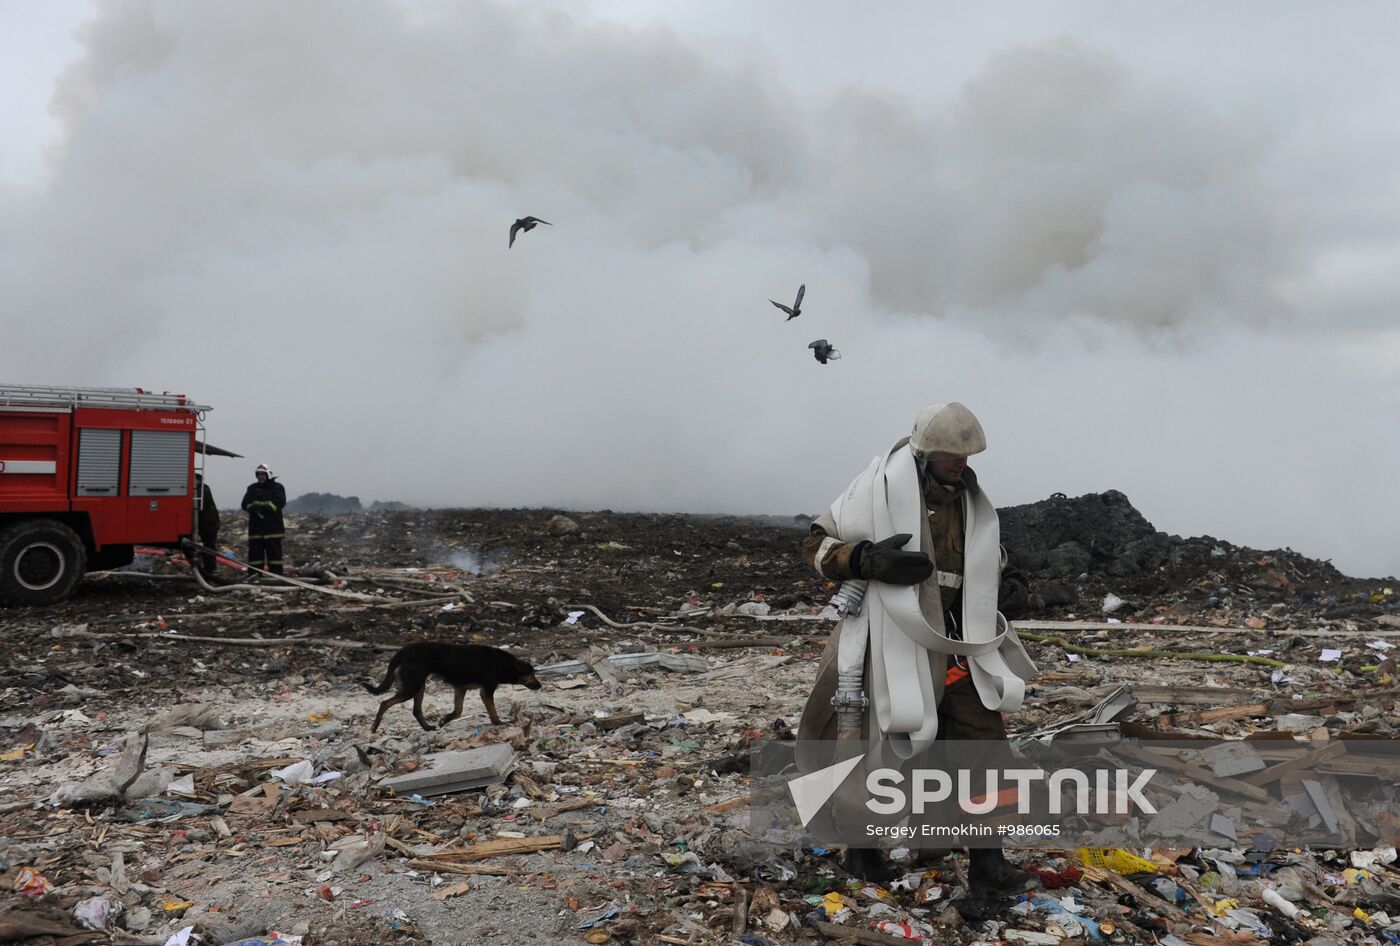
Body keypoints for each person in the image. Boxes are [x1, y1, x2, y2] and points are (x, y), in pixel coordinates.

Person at [796, 402, 1036, 889]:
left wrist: (1008, 585)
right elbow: (817, 546)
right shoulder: (875, 491)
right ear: (927, 454)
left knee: (983, 742)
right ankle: (862, 853)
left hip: (953, 641)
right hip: (880, 640)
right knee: (865, 742)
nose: (962, 464)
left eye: (967, 455)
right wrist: (863, 559)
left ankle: (988, 863)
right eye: (952, 455)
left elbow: (987, 559)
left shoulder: (970, 504)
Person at [240, 463, 287, 575]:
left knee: (274, 554)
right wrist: (254, 508)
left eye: (263, 474)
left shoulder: (277, 488)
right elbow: (245, 504)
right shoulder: (252, 488)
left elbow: (280, 502)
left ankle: (276, 575)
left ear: (268, 475)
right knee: (255, 555)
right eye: (259, 474)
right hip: (256, 528)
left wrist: (265, 508)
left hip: (273, 528)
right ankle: (255, 574)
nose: (260, 477)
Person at [193, 472, 219, 578]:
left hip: (208, 525)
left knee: (209, 547)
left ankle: (209, 571)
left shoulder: (200, 490)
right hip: (207, 524)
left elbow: (197, 507)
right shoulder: (204, 488)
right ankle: (208, 570)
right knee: (208, 547)